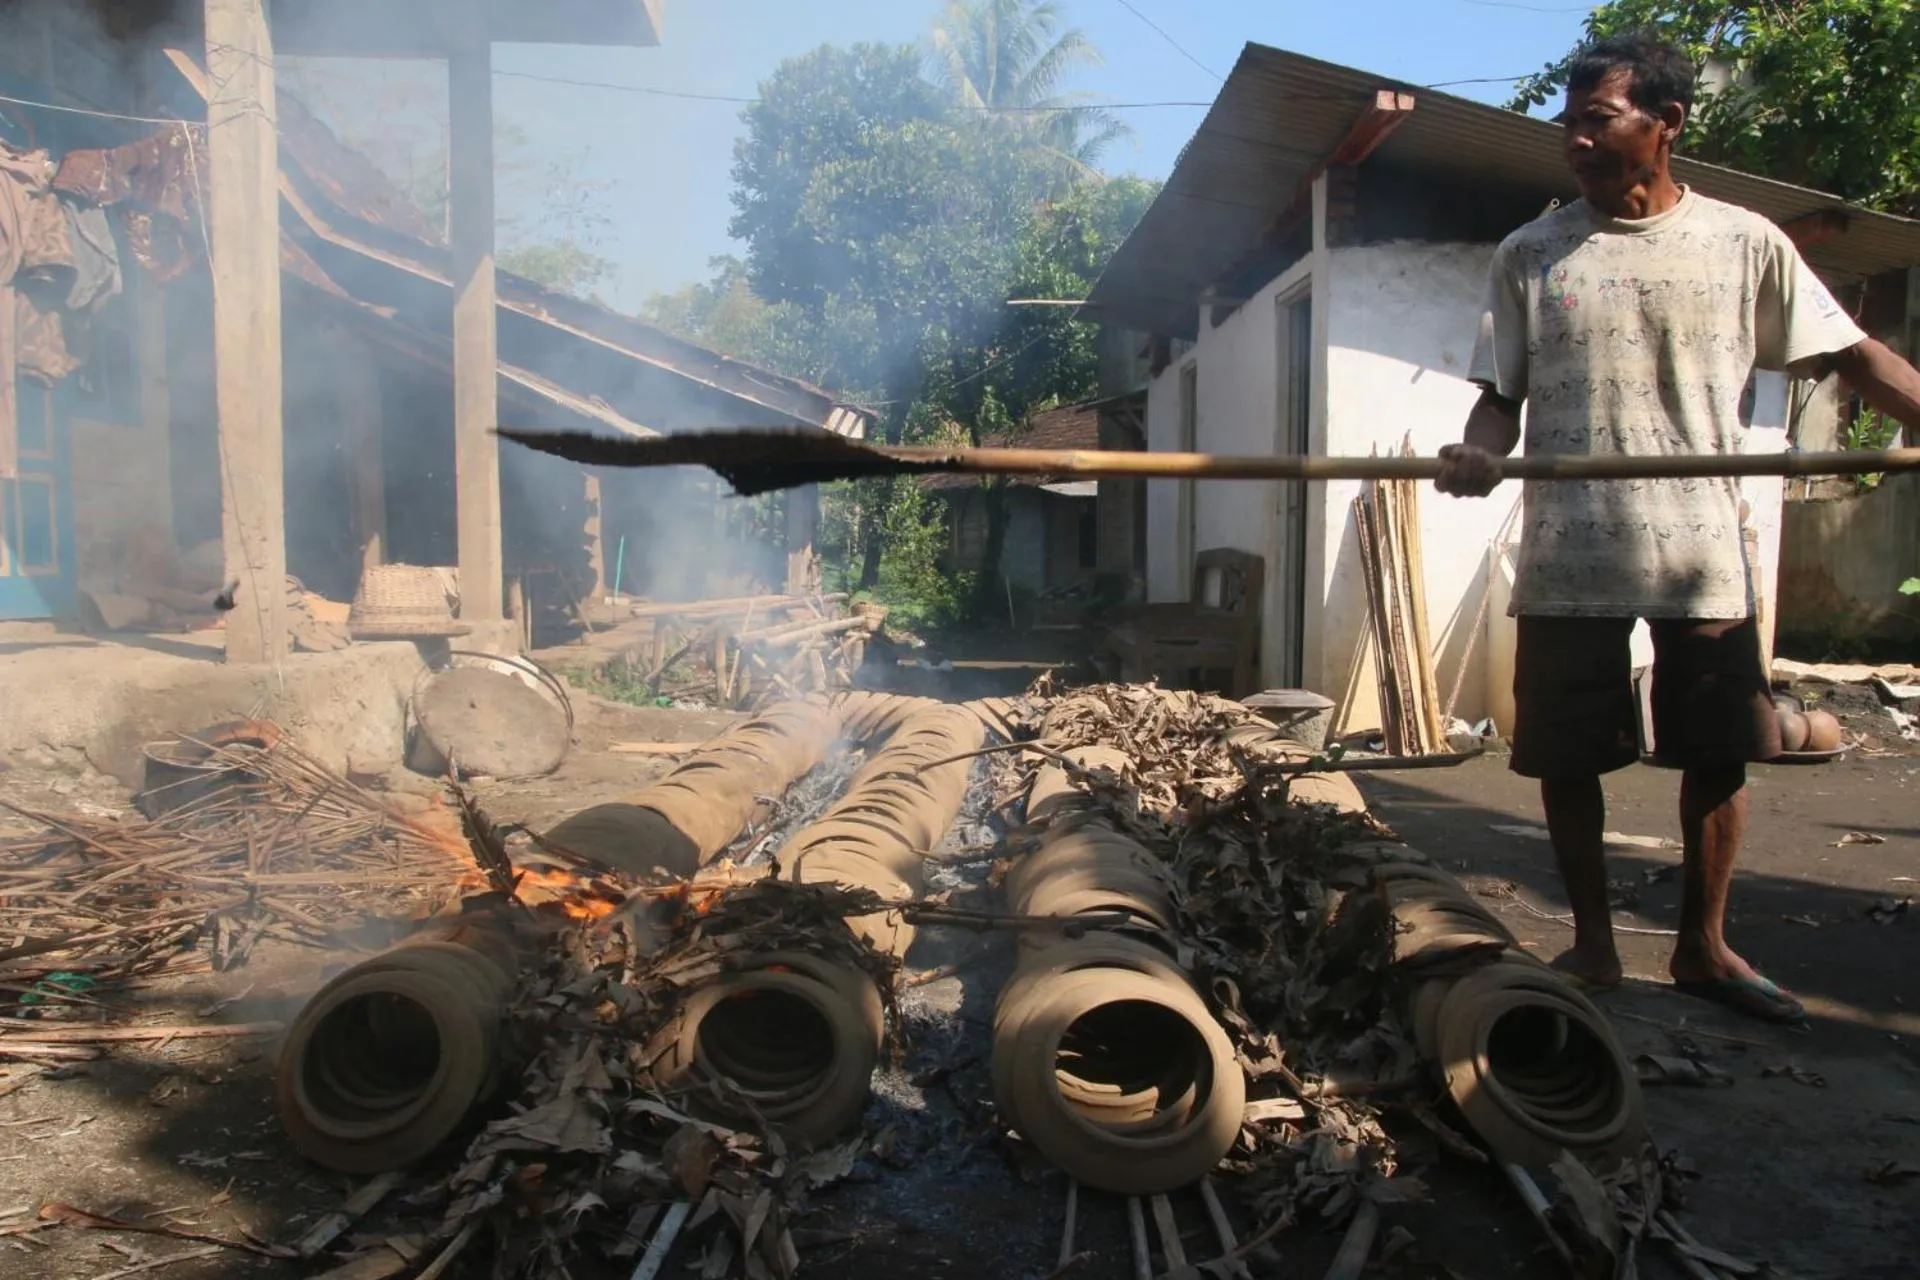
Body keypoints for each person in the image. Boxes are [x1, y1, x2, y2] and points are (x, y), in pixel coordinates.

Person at [1435, 33, 1920, 1022]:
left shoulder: (1745, 243)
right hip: (1572, 548)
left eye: (1597, 119)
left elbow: (1854, 354)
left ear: (1668, 126)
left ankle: (1703, 947)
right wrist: (1477, 450)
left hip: (1701, 550)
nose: (1574, 139)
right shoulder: (1530, 253)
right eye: (1567, 122)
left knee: (1719, 747)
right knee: (1564, 753)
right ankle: (1596, 946)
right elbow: (1499, 398)